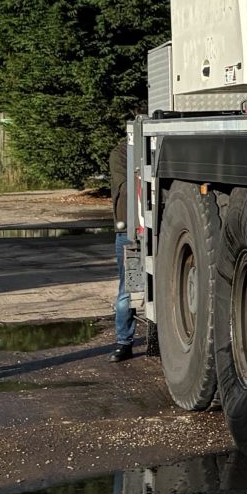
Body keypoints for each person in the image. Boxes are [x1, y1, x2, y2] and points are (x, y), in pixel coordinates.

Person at [109, 136, 135, 363]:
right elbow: (125, 189)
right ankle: (123, 341)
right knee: (127, 287)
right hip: (128, 230)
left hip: (154, 227)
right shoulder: (120, 154)